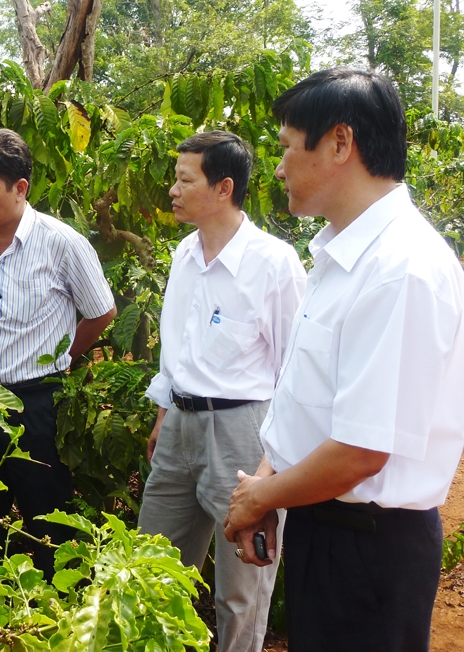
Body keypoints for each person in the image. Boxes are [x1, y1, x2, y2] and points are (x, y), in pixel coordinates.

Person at [223, 68, 464, 652]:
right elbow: (309, 401)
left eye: (285, 146)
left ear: (338, 142)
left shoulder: (400, 269)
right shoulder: (341, 256)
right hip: (326, 524)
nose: (278, 167)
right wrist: (266, 479)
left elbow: (361, 448)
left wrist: (260, 497)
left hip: (369, 546)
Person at [137, 131, 306, 652]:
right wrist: (165, 413)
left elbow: (292, 373)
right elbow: (178, 349)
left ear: (223, 188)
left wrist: (271, 468)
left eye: (186, 180)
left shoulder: (273, 264)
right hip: (179, 429)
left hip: (241, 435)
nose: (173, 189)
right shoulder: (184, 254)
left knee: (241, 589)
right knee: (149, 566)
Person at [0, 128, 116, 579]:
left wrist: (62, 358)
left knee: (48, 516)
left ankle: (56, 616)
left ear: (20, 188)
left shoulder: (62, 243)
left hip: (38, 404)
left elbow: (101, 312)